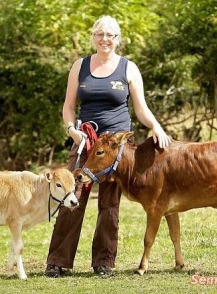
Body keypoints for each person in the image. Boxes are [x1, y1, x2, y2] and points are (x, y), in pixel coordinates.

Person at [45, 15, 171, 278]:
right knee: (72, 197)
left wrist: (156, 125)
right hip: (86, 141)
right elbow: (68, 106)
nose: (105, 39)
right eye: (100, 34)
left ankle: (103, 262)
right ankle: (58, 261)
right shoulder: (80, 66)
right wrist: (72, 130)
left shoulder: (128, 68)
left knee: (110, 204)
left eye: (110, 35)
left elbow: (141, 108)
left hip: (116, 147)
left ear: (118, 39)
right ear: (93, 37)